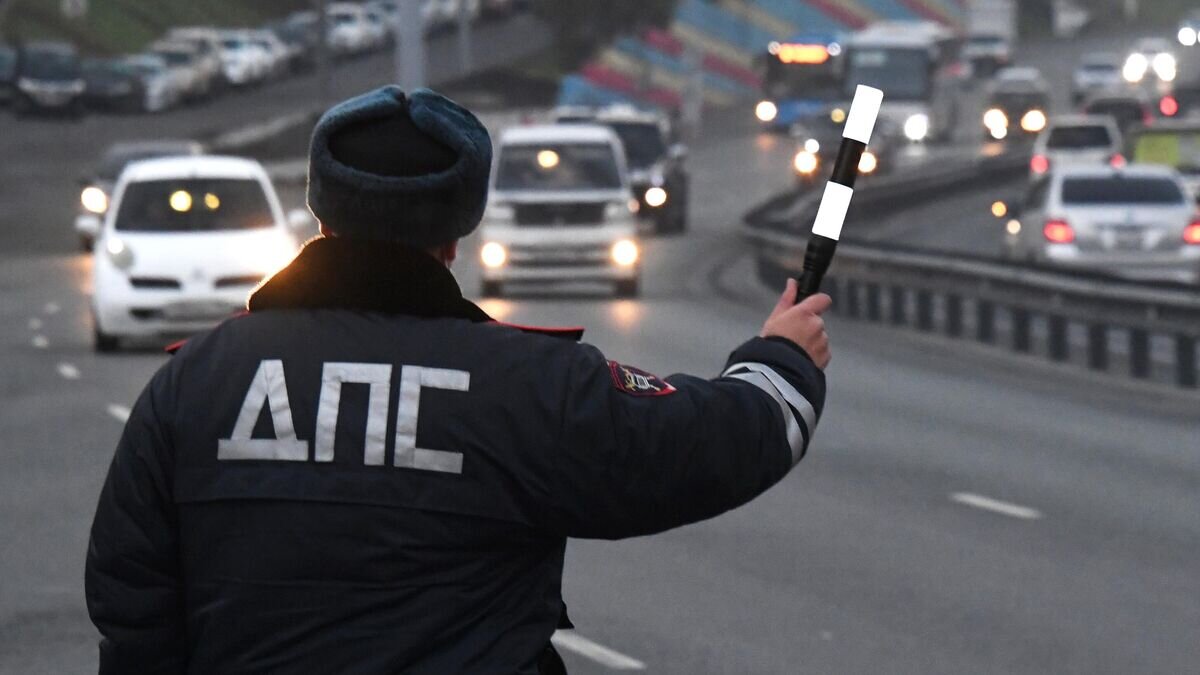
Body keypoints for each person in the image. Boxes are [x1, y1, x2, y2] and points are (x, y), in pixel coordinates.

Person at [85, 86, 832, 674]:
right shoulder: (527, 383)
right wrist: (780, 358)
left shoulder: (196, 383)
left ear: (321, 211)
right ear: (458, 227)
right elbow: (709, 443)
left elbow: (132, 602)